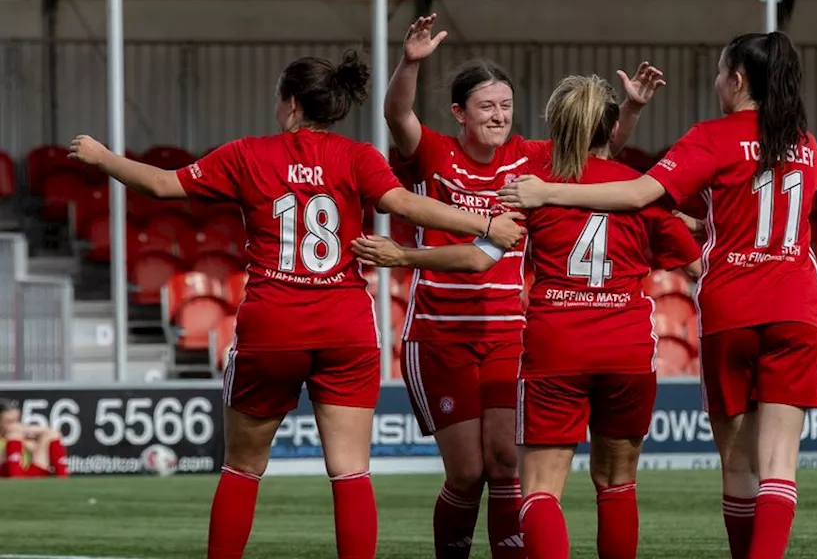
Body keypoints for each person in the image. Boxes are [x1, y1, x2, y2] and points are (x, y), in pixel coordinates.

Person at [68, 51, 526, 559]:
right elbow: (405, 204)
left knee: (242, 467)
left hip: (273, 324)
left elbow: (162, 183)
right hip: (345, 326)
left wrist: (101, 156)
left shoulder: (247, 153)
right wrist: (484, 224)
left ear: (289, 102)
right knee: (351, 470)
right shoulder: (358, 156)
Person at [499, 32, 817, 559]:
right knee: (773, 469)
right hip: (782, 308)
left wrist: (546, 191)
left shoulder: (709, 139)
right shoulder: (803, 144)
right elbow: (675, 226)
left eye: (719, 73)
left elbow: (643, 191)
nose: (716, 82)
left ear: (736, 80)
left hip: (717, 310)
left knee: (543, 488)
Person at [358, 74, 701, 559]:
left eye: (506, 104)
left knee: (537, 489)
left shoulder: (534, 189)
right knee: (617, 484)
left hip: (555, 343)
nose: (500, 114)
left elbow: (481, 256)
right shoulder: (642, 192)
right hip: (626, 346)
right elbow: (696, 268)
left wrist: (402, 257)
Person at [0, 398, 69, 478]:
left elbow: (37, 449)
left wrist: (25, 432)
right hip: (5, 473)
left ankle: (63, 478)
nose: (14, 425)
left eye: (16, 421)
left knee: (53, 434)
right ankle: (16, 480)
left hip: (27, 472)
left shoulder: (21, 436)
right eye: (8, 422)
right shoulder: (13, 437)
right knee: (14, 436)